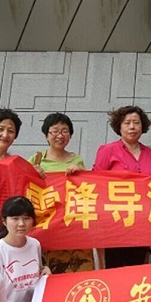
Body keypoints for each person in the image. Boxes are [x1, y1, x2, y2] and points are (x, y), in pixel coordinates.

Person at [93, 105, 151, 268]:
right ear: (119, 126)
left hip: (142, 221)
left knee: (137, 270)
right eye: (127, 123)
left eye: (136, 122)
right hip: (114, 220)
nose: (132, 127)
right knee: (113, 268)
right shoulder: (107, 150)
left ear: (142, 126)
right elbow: (95, 182)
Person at [29, 112, 95, 273]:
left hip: (72, 224)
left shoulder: (76, 159)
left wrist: (81, 173)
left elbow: (87, 190)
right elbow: (24, 188)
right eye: (55, 131)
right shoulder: (36, 160)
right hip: (46, 224)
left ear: (70, 136)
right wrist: (32, 174)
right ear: (46, 135)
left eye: (65, 131)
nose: (60, 135)